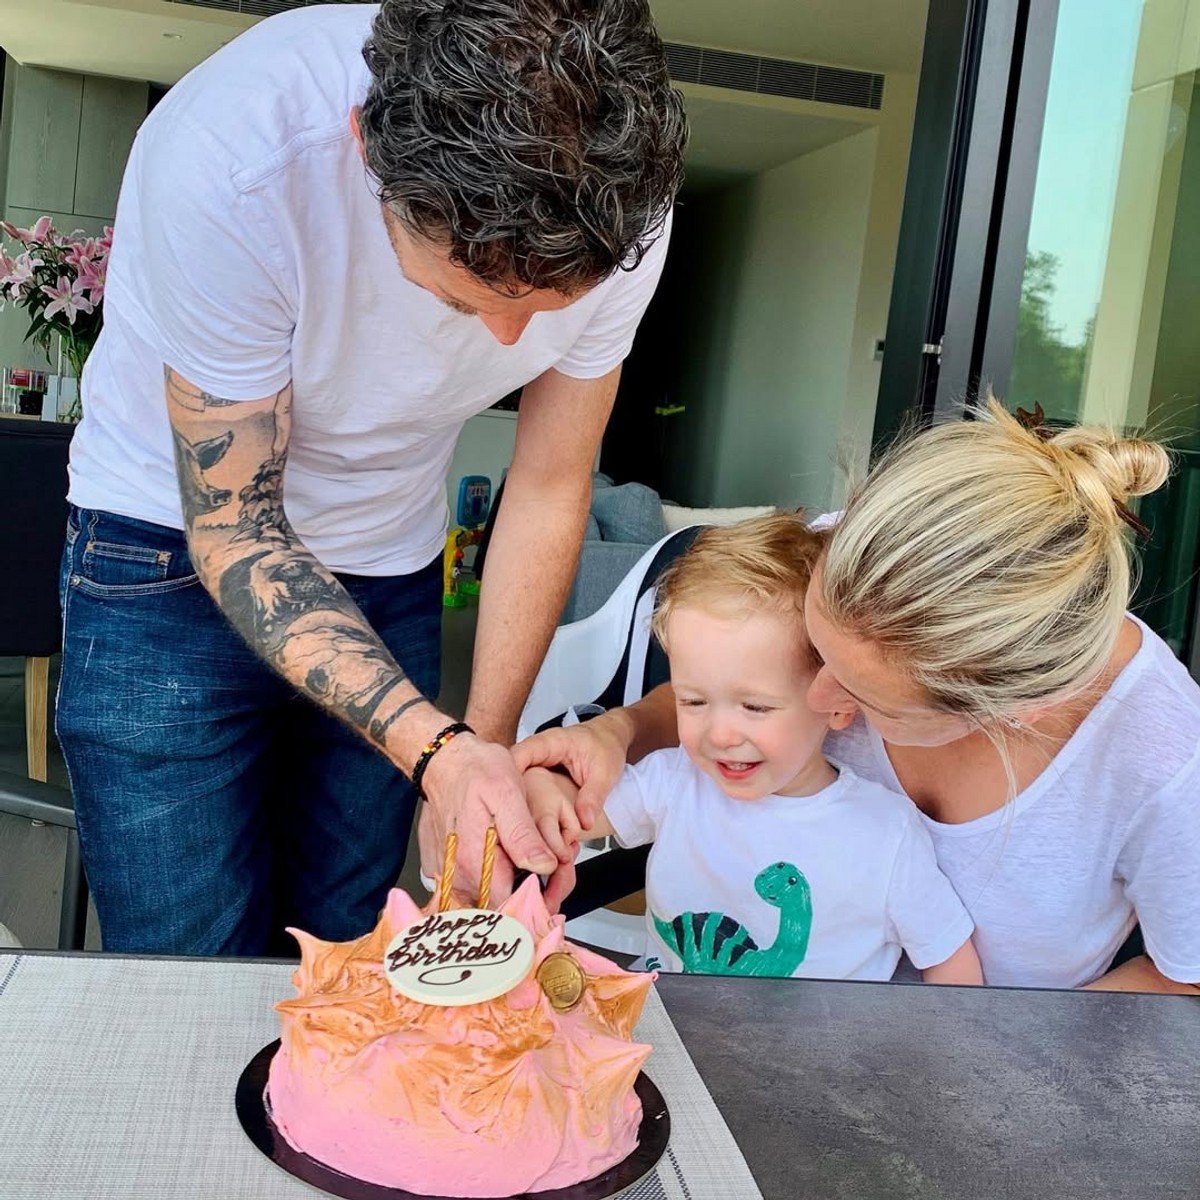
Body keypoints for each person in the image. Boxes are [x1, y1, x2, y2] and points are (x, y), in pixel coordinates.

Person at [55, 0, 686, 954]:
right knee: (186, 957)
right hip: (163, 551)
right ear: (366, 149)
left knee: (342, 943)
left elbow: (552, 486)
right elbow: (238, 529)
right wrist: (436, 752)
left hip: (389, 561)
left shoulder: (622, 201)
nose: (510, 345)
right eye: (458, 298)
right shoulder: (234, 157)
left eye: (550, 309)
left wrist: (480, 754)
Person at [516, 401, 1200, 993]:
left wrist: (999, 1064)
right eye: (816, 651)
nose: (817, 696)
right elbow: (726, 697)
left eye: (872, 699)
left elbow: (1184, 974)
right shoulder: (845, 553)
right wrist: (618, 733)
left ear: (1017, 713)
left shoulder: (1167, 765)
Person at [525, 514, 982, 983]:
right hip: (665, 1027)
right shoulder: (675, 781)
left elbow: (948, 959)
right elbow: (571, 812)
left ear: (837, 702)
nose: (720, 734)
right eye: (694, 700)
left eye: (756, 707)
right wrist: (538, 794)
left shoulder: (888, 834)